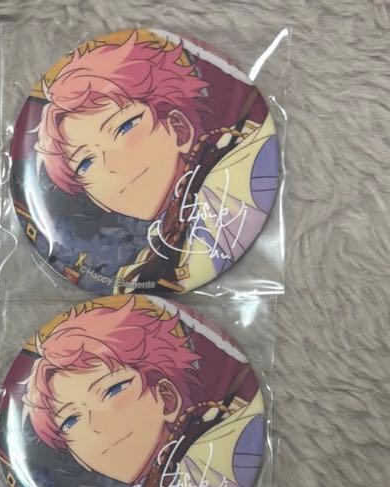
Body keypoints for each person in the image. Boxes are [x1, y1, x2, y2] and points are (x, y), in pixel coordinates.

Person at [21, 297, 264, 487]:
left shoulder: (231, 444)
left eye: (114, 390)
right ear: (76, 456)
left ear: (167, 398)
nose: (96, 426)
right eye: (71, 420)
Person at [34, 31, 278, 292]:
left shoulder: (246, 168)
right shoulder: (135, 272)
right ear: (93, 198)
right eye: (85, 163)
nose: (111, 165)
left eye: (126, 127)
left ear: (179, 129)